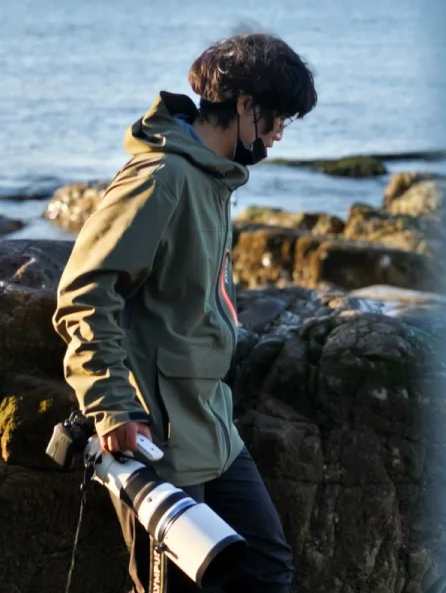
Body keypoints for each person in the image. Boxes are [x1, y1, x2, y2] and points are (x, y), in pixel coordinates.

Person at [53, 32, 318, 593]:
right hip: (157, 437)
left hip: (214, 428)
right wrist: (111, 409)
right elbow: (85, 293)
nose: (277, 137)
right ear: (245, 106)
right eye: (276, 122)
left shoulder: (214, 182)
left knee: (267, 569)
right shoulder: (161, 178)